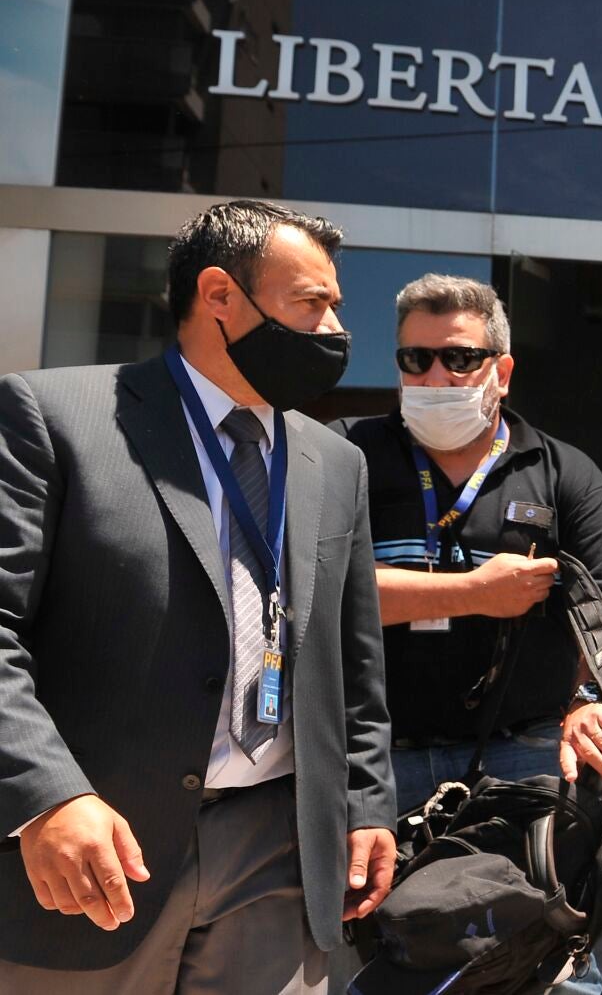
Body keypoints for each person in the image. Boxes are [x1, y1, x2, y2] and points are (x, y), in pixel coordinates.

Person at [0, 200, 396, 993]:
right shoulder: (55, 418)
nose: (332, 330)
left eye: (335, 308)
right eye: (309, 303)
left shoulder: (333, 460)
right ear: (219, 295)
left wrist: (370, 802)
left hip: (280, 854)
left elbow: (355, 659)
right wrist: (45, 795)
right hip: (100, 850)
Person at [332, 275, 602, 991]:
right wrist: (476, 593)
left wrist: (595, 694)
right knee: (379, 953)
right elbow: (319, 592)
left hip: (526, 759)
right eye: (415, 360)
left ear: (501, 369)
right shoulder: (346, 455)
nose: (435, 375)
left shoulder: (564, 470)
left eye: (459, 359)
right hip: (379, 759)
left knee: (549, 954)